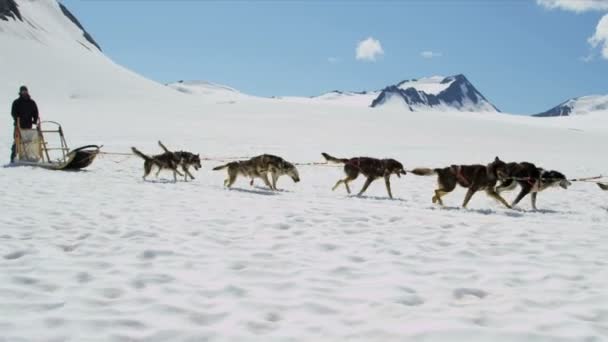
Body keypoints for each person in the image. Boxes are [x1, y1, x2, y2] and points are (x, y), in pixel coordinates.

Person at [10, 86, 39, 163]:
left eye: (25, 91)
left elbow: (35, 112)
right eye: (22, 91)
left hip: (28, 125)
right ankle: (13, 157)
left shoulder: (31, 102)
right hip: (18, 125)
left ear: (27, 92)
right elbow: (13, 113)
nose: (24, 93)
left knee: (28, 141)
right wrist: (17, 119)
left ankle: (27, 157)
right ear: (20, 92)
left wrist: (35, 120)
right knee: (17, 141)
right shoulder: (16, 102)